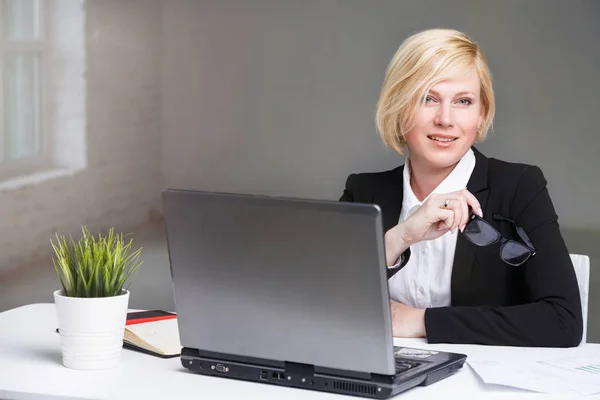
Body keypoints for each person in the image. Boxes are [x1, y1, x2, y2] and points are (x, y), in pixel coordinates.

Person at [339, 28, 583, 347]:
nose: (446, 119)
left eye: (463, 101)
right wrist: (400, 237)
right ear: (398, 107)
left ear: (481, 113)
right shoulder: (364, 191)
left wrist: (420, 320)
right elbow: (319, 304)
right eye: (428, 98)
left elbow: (562, 321)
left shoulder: (520, 187)